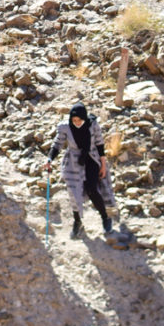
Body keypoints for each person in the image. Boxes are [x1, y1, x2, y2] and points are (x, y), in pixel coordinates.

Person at [46, 101, 115, 240]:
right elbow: (57, 144)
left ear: (84, 118)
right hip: (73, 161)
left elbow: (100, 144)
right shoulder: (64, 127)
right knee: (73, 192)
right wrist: (49, 160)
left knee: (92, 189)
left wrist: (102, 164)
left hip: (91, 158)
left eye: (79, 120)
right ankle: (78, 222)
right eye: (74, 120)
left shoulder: (93, 124)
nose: (77, 122)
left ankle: (105, 217)